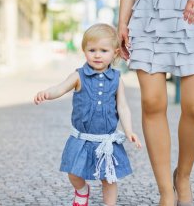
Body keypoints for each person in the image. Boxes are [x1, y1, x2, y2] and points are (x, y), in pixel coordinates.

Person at [118, 0, 194, 205]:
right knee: (152, 102)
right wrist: (122, 21)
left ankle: (182, 177)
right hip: (149, 6)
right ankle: (165, 191)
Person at [34, 23, 142, 206]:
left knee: (109, 178)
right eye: (92, 50)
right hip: (82, 138)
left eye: (103, 50)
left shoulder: (116, 79)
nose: (97, 55)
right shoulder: (79, 76)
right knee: (73, 172)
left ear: (115, 53)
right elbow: (60, 88)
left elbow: (122, 106)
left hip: (106, 140)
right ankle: (82, 190)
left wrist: (129, 130)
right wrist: (47, 93)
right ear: (84, 51)